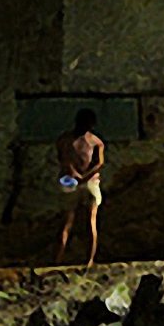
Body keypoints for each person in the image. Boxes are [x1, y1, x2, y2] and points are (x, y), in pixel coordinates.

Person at [55, 107, 105, 266]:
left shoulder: (96, 142)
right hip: (72, 182)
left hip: (88, 183)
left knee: (89, 222)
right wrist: (74, 173)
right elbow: (63, 158)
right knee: (68, 222)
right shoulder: (66, 140)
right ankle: (59, 259)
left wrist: (83, 176)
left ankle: (88, 260)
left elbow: (98, 163)